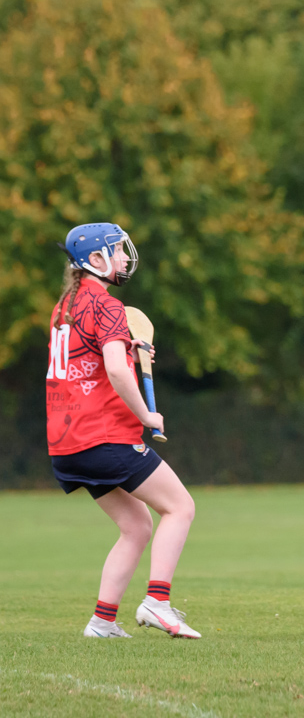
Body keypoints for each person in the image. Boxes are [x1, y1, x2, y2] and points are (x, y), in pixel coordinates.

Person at [47, 223, 199, 639]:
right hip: (105, 435)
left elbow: (95, 357)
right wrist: (147, 415)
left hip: (66, 444)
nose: (126, 258)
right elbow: (114, 368)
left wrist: (128, 351)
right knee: (180, 508)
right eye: (117, 251)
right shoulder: (108, 304)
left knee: (137, 526)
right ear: (96, 260)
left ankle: (102, 622)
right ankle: (157, 602)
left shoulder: (66, 305)